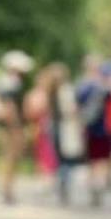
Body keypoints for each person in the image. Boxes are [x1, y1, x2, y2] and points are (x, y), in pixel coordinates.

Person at [0, 50, 32, 204]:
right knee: (11, 158)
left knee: (8, 157)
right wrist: (16, 127)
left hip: (7, 126)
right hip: (11, 127)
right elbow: (10, 106)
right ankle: (7, 189)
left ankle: (7, 188)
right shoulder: (11, 83)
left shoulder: (4, 81)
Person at [75, 55, 111, 205]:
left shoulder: (81, 85)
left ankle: (93, 186)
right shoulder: (103, 85)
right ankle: (99, 186)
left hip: (88, 127)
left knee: (92, 160)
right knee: (103, 160)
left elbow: (77, 106)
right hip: (103, 127)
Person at [45, 63, 84, 204]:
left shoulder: (50, 90)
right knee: (66, 159)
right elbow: (71, 110)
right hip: (64, 127)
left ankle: (61, 184)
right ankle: (64, 186)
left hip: (53, 126)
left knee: (59, 159)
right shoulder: (65, 90)